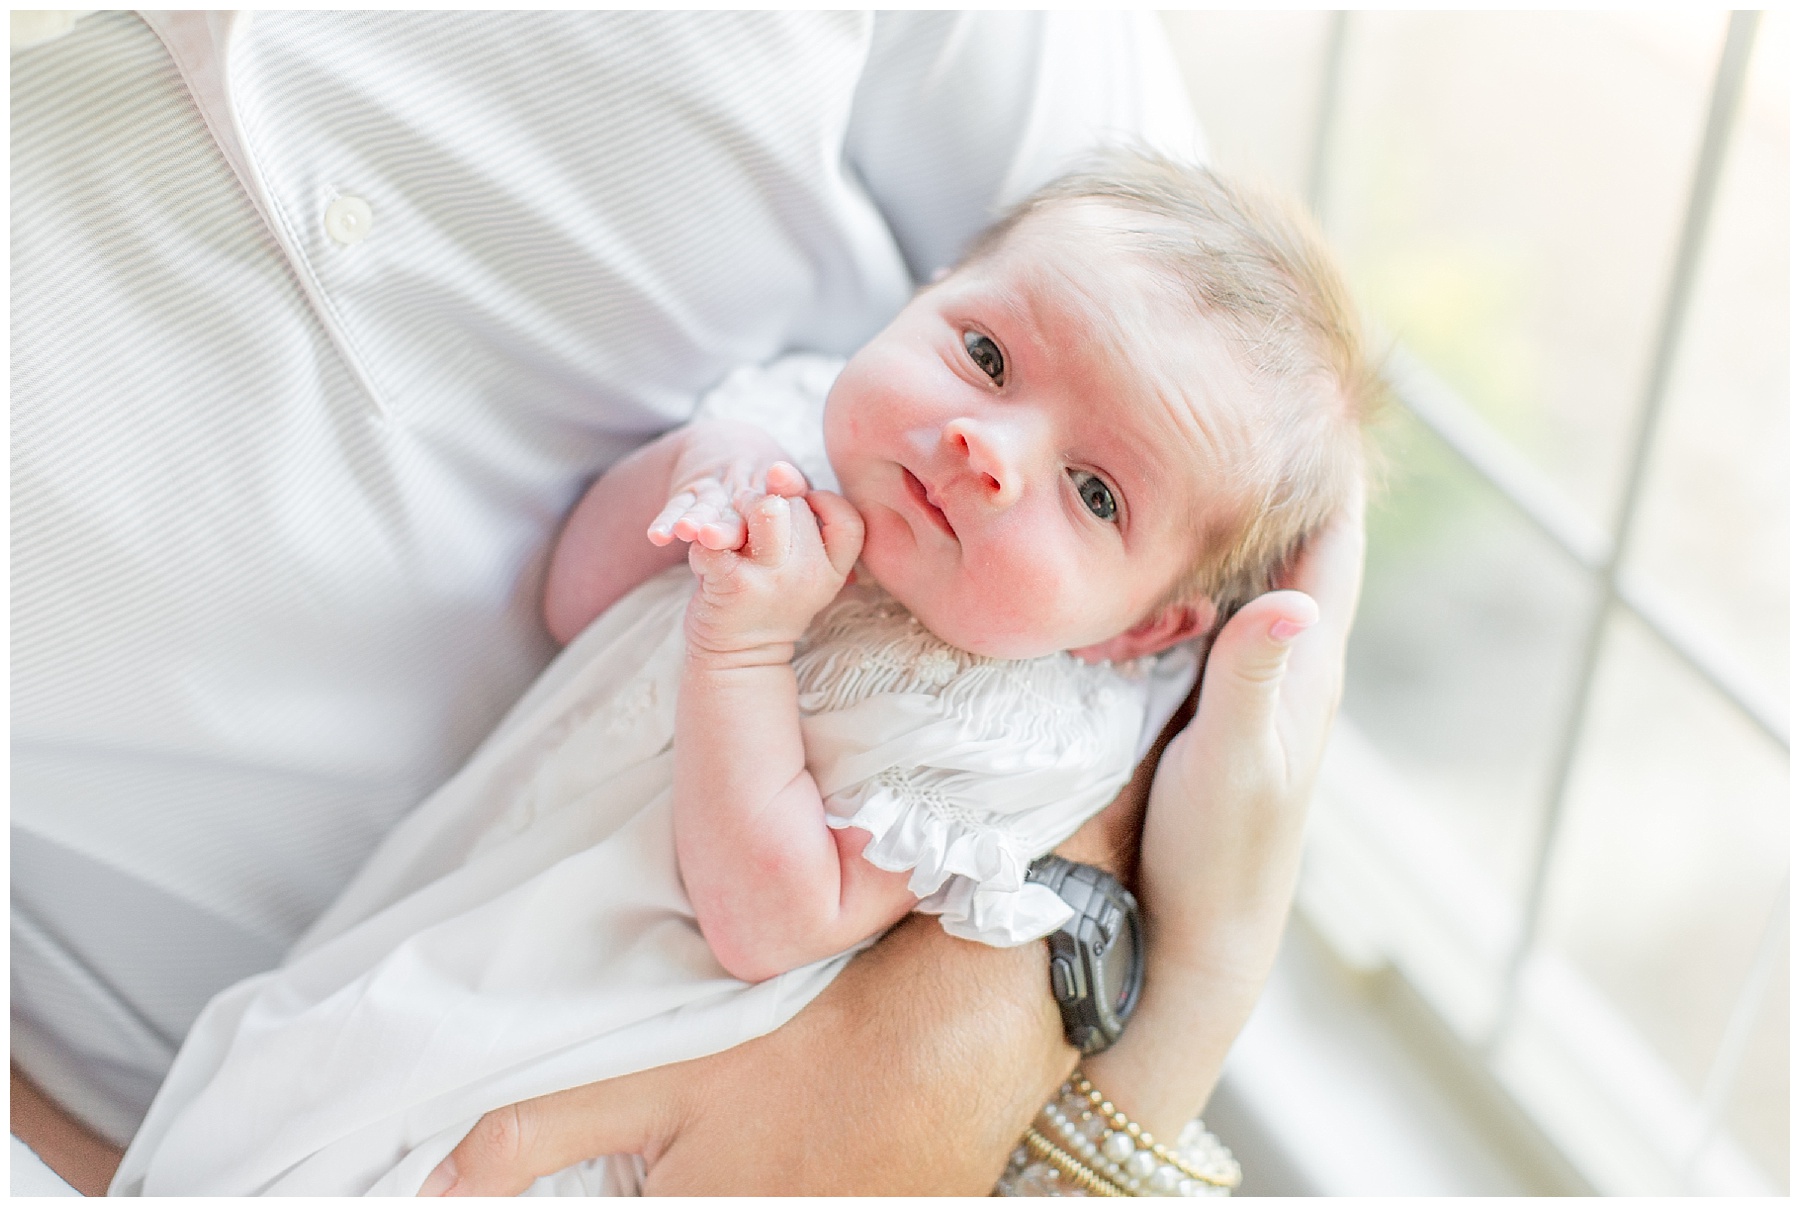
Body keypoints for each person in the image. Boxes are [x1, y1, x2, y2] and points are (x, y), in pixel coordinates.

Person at [10, 11, 1366, 1195]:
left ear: (1144, 631)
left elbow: (777, 915)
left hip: (616, 1094)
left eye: (1092, 493)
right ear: (934, 289)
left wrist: (745, 641)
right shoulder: (787, 428)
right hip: (374, 984)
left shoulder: (1007, 738)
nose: (984, 447)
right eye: (987, 353)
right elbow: (574, 594)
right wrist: (685, 482)